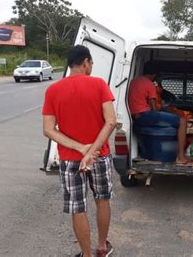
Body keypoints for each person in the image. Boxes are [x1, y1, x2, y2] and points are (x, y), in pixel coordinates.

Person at [42, 45, 116, 257]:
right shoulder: (99, 85)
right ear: (85, 62)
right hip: (99, 157)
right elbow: (110, 122)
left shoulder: (53, 90)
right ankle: (102, 247)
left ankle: (87, 255)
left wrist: (80, 148)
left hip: (69, 159)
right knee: (102, 200)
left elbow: (48, 130)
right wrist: (92, 152)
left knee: (77, 207)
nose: (91, 67)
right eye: (91, 63)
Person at [128, 73, 192, 165]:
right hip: (145, 116)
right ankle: (181, 157)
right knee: (183, 120)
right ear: (153, 74)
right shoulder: (149, 84)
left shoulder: (133, 82)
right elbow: (155, 109)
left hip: (136, 117)